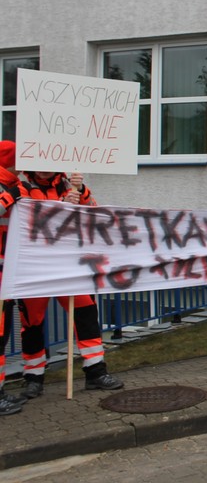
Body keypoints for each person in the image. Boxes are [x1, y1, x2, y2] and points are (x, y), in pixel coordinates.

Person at [18, 170, 125, 397]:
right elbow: (28, 220)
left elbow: (94, 212)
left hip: (68, 265)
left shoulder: (69, 185)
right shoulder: (21, 187)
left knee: (86, 312)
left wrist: (81, 190)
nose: (44, 169)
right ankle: (33, 377)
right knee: (32, 323)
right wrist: (61, 205)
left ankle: (95, 371)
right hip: (35, 268)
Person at [0, 141, 28, 415]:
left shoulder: (15, 187)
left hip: (5, 275)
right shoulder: (8, 189)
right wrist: (10, 196)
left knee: (3, 335)